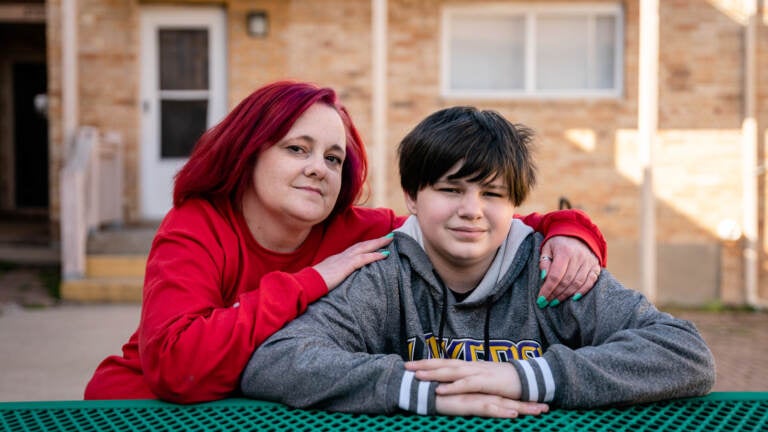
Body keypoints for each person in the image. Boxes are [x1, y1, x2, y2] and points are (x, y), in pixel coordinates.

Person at [84, 82, 608, 403]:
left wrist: (571, 231)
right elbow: (180, 367)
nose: (317, 169)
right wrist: (312, 280)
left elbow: (472, 214)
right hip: (155, 406)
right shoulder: (197, 226)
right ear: (249, 153)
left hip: (273, 403)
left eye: (333, 159)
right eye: (297, 149)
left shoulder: (356, 229)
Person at [240, 106, 715, 418]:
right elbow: (277, 360)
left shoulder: (553, 272)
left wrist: (522, 377)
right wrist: (424, 391)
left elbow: (684, 354)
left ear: (515, 203)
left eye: (492, 194)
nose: (471, 210)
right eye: (450, 190)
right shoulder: (385, 274)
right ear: (411, 196)